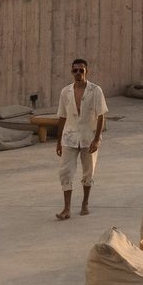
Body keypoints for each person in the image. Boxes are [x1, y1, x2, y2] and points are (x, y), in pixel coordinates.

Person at [54, 57, 107, 221]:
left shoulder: (95, 90)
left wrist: (97, 139)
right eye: (74, 70)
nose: (78, 73)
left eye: (81, 70)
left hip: (88, 136)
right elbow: (62, 116)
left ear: (86, 71)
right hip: (69, 137)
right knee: (65, 171)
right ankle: (67, 208)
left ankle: (85, 203)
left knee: (88, 171)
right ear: (71, 72)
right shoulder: (66, 92)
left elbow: (100, 116)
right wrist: (58, 141)